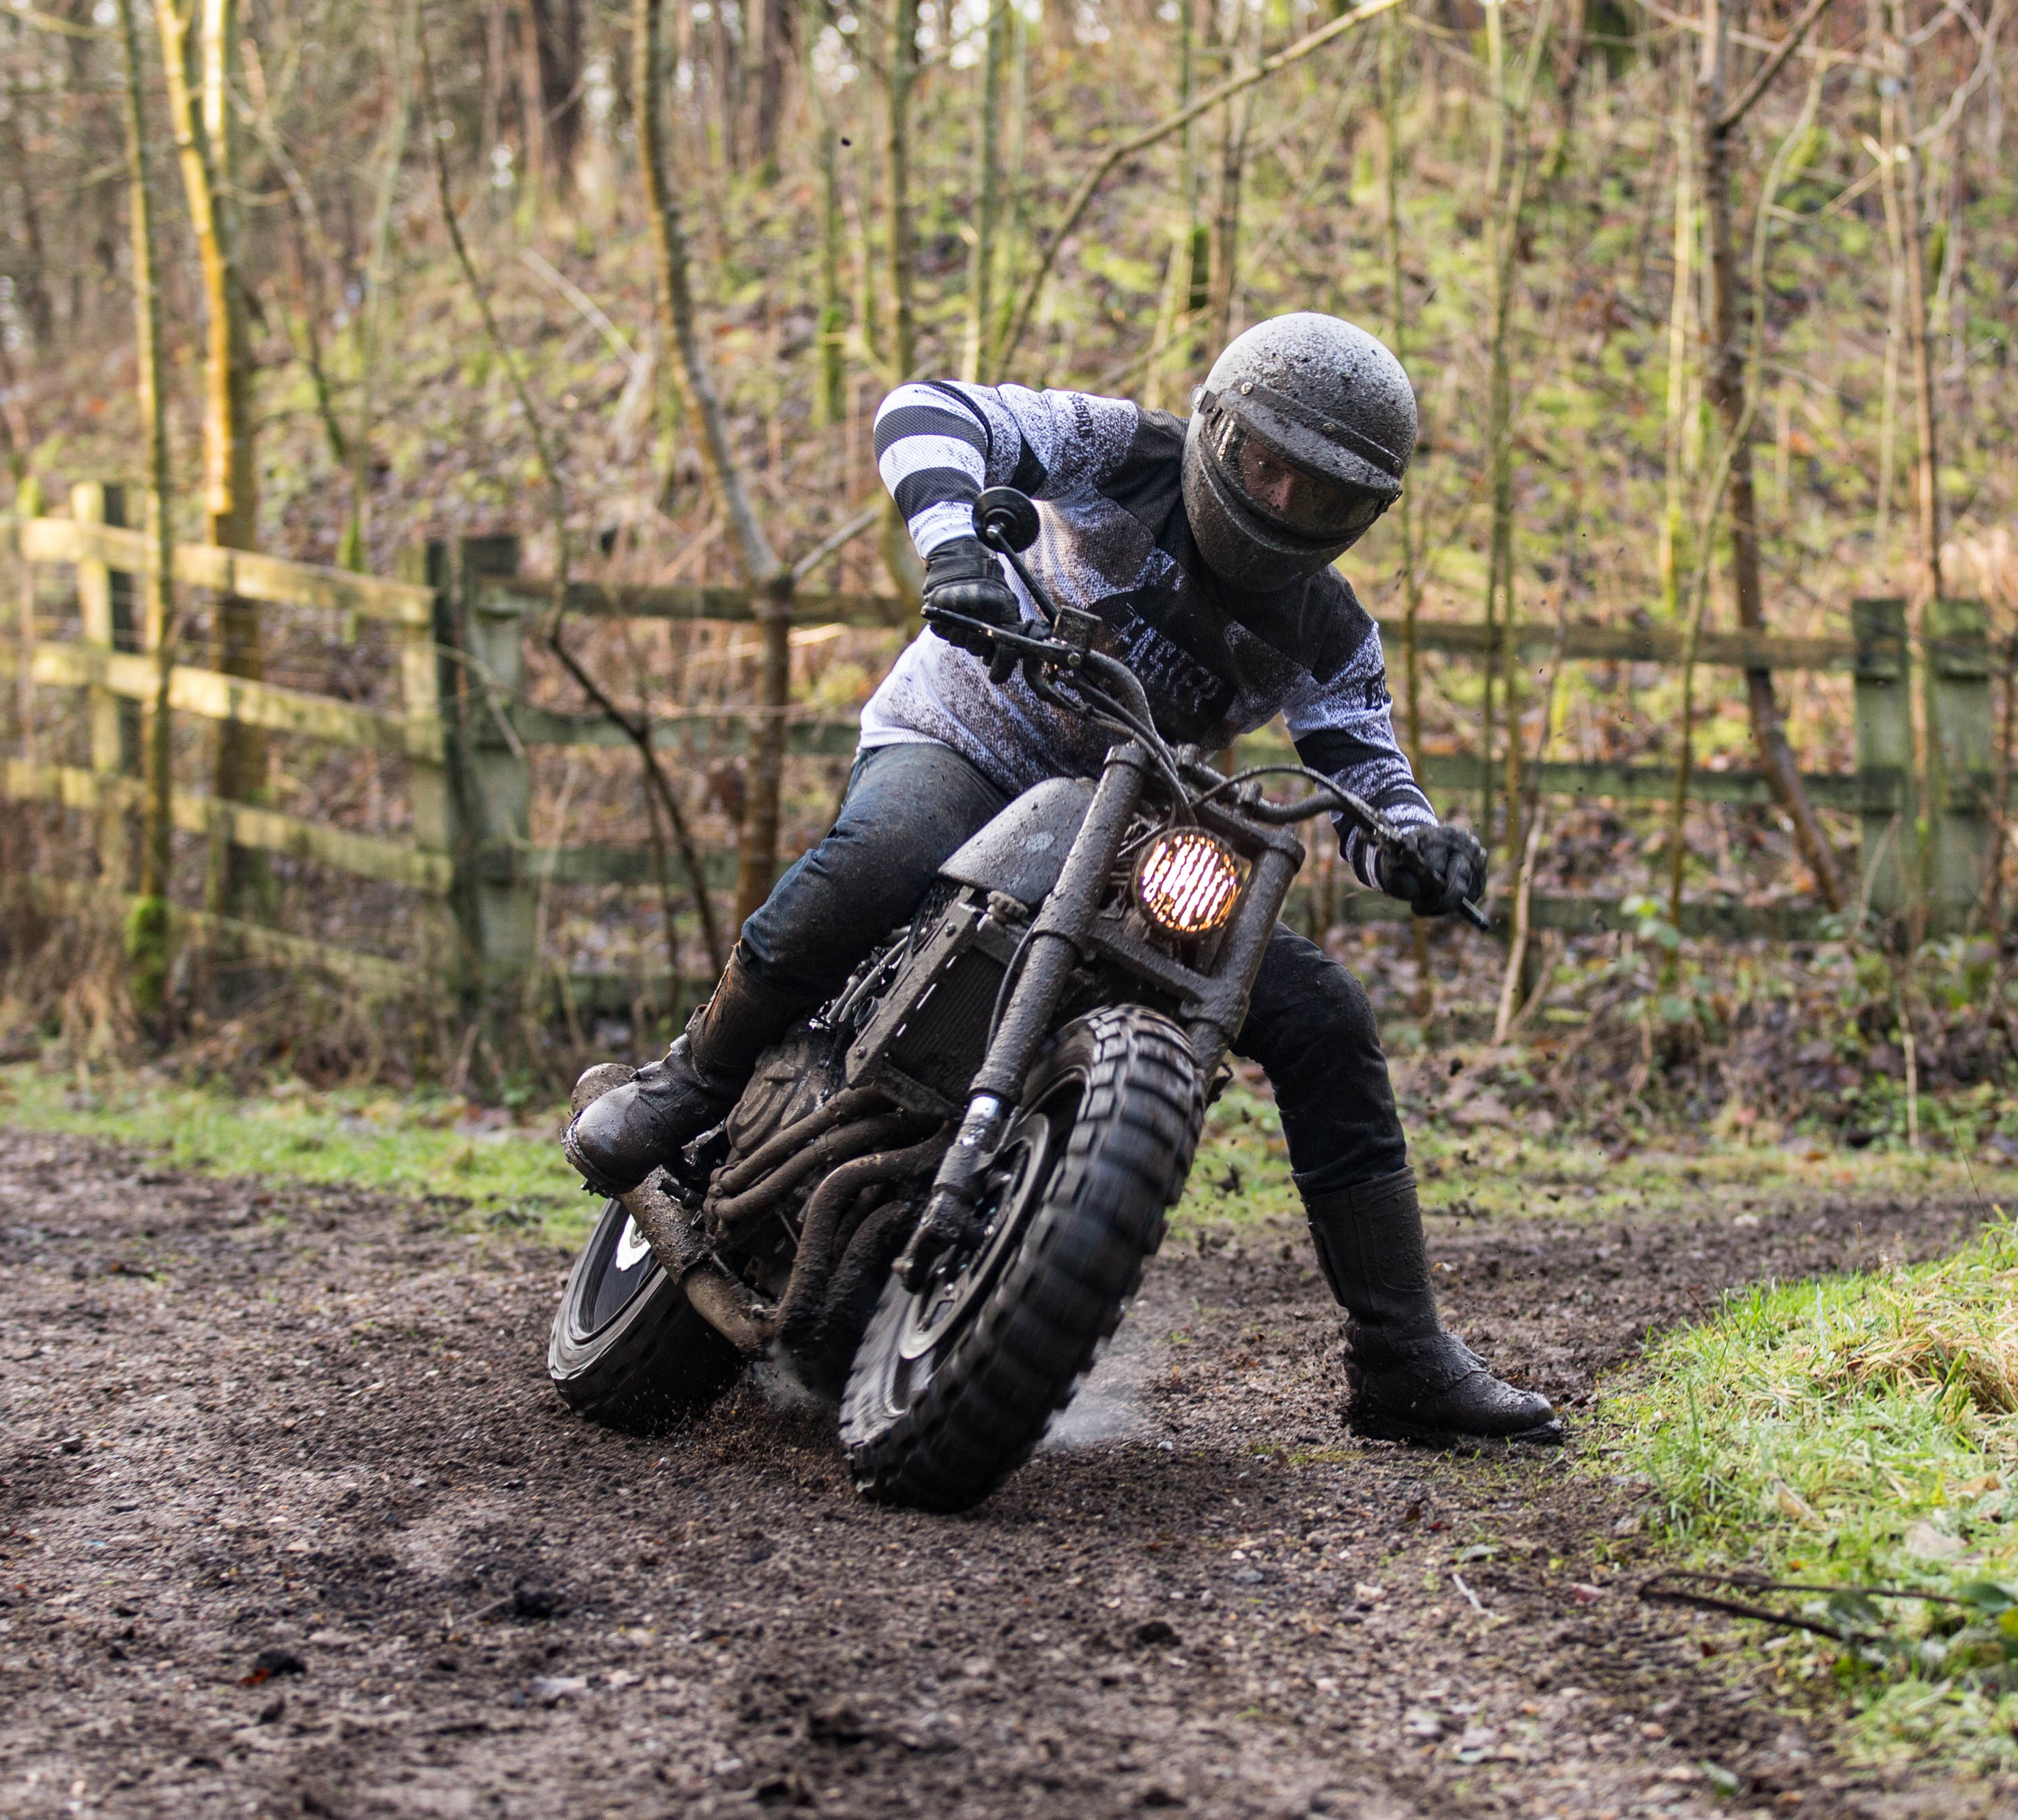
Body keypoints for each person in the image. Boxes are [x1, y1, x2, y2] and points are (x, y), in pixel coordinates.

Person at [566, 313, 1557, 1446]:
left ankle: (1404, 1357)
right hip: (965, 740)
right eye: (1262, 466)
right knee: (885, 850)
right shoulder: (1121, 451)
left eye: (1320, 497)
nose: (1280, 504)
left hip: (1124, 828)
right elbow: (926, 410)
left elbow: (1367, 778)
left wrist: (1421, 845)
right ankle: (694, 1080)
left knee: (1323, 1012)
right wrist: (954, 552)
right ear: (1218, 431)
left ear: (1364, 513)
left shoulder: (1331, 632)